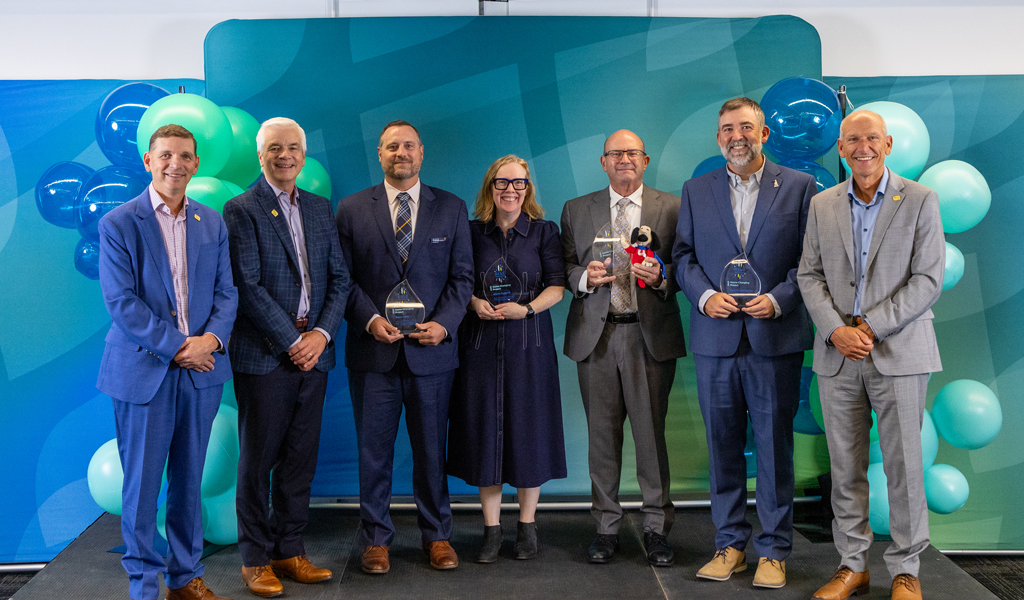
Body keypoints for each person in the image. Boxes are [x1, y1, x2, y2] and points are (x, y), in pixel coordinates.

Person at [798, 110, 944, 600]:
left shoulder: (921, 199)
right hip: (839, 356)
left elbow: (928, 278)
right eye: (853, 140)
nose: (864, 147)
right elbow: (808, 276)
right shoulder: (822, 205)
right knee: (845, 467)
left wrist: (871, 326)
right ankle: (852, 566)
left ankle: (906, 570)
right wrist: (838, 330)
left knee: (903, 467)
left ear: (889, 144)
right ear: (841, 148)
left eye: (872, 139)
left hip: (899, 352)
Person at [672, 97, 817, 589]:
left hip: (773, 336)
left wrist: (778, 300)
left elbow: (811, 264)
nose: (738, 136)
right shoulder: (696, 190)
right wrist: (705, 295)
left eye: (747, 128)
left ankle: (773, 551)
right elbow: (683, 257)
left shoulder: (799, 187)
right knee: (722, 446)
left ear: (764, 134)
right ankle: (730, 544)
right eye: (729, 129)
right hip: (716, 339)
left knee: (775, 447)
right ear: (718, 138)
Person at [96, 124, 237, 600]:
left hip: (202, 375)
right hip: (145, 372)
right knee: (140, 486)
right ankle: (144, 584)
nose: (175, 163)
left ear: (196, 164)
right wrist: (183, 347)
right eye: (165, 155)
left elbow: (226, 292)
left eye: (184, 155)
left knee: (189, 481)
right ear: (148, 161)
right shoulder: (118, 223)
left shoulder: (211, 222)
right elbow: (122, 303)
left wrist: (212, 340)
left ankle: (186, 576)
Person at [335, 120, 474, 574]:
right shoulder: (353, 209)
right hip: (373, 353)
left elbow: (462, 278)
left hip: (431, 354)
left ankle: (437, 536)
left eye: (408, 146)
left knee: (432, 450)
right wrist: (370, 320)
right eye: (392, 146)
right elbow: (344, 280)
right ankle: (376, 540)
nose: (401, 153)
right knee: (373, 453)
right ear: (380, 154)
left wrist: (444, 325)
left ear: (421, 153)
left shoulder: (451, 208)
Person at [223, 117, 350, 598]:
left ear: (302, 153)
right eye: (274, 148)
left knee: (301, 460)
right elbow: (246, 286)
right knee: (258, 462)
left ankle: (288, 549)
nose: (285, 155)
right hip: (266, 356)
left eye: (293, 147)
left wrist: (319, 334)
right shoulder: (241, 209)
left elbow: (339, 279)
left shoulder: (319, 208)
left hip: (315, 353)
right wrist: (291, 341)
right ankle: (255, 559)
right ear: (261, 155)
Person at [559, 130, 686, 567]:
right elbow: (563, 266)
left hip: (648, 335)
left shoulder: (670, 207)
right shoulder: (577, 209)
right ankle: (606, 527)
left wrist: (660, 277)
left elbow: (684, 267)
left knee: (651, 437)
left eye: (632, 153)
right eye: (616, 153)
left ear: (645, 160)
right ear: (603, 162)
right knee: (602, 438)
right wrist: (583, 278)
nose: (624, 159)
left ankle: (655, 529)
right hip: (597, 335)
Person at [448, 155, 567, 563]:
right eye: (502, 183)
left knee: (527, 433)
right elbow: (457, 281)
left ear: (528, 188)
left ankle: (527, 527)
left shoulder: (545, 232)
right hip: (480, 347)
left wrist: (529, 309)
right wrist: (473, 302)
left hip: (528, 346)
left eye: (519, 183)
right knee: (486, 436)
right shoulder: (469, 232)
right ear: (490, 187)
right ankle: (492, 530)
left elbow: (558, 286)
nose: (511, 190)